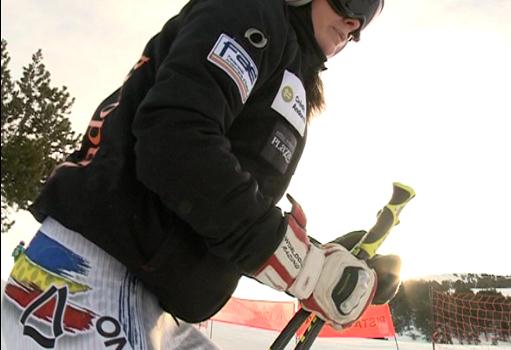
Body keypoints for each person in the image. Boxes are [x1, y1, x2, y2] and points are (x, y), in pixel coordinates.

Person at [1, 0, 402, 348]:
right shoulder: (253, 14)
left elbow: (216, 210)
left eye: (370, 12)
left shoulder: (289, 69)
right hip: (92, 277)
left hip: (149, 301)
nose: (355, 22)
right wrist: (304, 268)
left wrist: (315, 256)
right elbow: (174, 142)